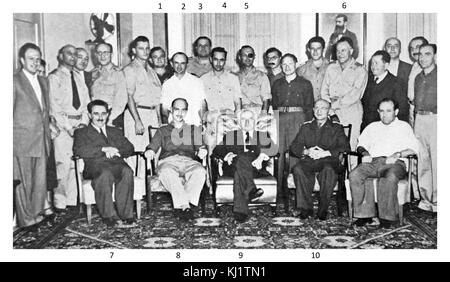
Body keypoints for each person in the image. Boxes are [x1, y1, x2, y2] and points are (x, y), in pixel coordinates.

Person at [349, 98, 419, 228]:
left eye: (388, 111)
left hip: (395, 163)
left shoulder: (404, 126)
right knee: (355, 174)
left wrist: (397, 154)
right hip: (374, 162)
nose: (384, 114)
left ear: (396, 112)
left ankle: (387, 218)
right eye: (381, 111)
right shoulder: (372, 126)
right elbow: (361, 145)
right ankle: (365, 215)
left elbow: (414, 148)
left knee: (388, 177)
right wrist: (365, 153)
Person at [73, 100, 135, 227]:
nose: (100, 117)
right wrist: (103, 150)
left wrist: (117, 150)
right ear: (90, 115)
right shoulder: (81, 132)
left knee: (127, 171)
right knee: (105, 174)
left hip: (117, 164)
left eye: (103, 113)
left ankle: (126, 215)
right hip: (96, 166)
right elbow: (79, 150)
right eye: (96, 114)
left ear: (108, 114)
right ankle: (109, 216)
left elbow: (129, 147)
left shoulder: (115, 131)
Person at [144, 98, 207, 221]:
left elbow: (201, 147)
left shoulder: (193, 129)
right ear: (171, 111)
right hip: (169, 162)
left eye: (183, 110)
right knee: (166, 172)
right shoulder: (162, 130)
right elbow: (152, 146)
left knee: (200, 171)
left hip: (189, 161)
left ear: (187, 112)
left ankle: (183, 206)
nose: (180, 113)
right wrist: (150, 151)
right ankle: (185, 206)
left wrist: (202, 150)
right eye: (177, 109)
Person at [213, 109, 278, 223]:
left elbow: (275, 150)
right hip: (233, 168)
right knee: (241, 160)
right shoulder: (231, 135)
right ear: (238, 122)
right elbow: (217, 150)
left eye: (250, 119)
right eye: (243, 119)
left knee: (241, 167)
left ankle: (240, 210)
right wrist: (227, 155)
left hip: (255, 169)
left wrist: (262, 156)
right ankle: (251, 190)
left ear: (255, 121)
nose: (247, 122)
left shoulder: (262, 135)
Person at [289, 99, 350, 220]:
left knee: (328, 171)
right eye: (316, 108)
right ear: (313, 110)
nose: (319, 111)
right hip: (310, 161)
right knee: (298, 169)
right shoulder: (306, 127)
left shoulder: (336, 128)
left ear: (329, 111)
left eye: (323, 108)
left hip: (329, 161)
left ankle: (323, 209)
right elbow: (294, 147)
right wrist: (306, 151)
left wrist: (325, 153)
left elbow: (345, 147)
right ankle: (306, 208)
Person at [13, 43, 52, 229]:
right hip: (21, 141)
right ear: (22, 60)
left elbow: (44, 111)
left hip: (41, 140)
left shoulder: (44, 81)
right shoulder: (13, 81)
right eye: (31, 59)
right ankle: (26, 219)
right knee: (23, 183)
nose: (35, 62)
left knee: (39, 182)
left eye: (38, 59)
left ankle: (36, 214)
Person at [49, 44, 90, 211]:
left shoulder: (79, 78)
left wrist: (84, 123)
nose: (73, 57)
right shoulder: (55, 77)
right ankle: (60, 204)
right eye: (69, 54)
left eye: (75, 54)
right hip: (63, 128)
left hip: (79, 124)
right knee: (62, 165)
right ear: (60, 56)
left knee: (77, 165)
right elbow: (55, 107)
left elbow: (87, 103)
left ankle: (73, 202)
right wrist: (69, 128)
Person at [271, 53, 314, 197]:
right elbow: (275, 104)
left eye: (290, 63)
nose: (287, 67)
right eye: (284, 64)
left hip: (298, 119)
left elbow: (309, 107)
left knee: (296, 152)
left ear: (296, 64)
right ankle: (280, 190)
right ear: (281, 66)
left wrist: (307, 126)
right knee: (280, 152)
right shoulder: (277, 83)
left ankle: (296, 189)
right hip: (281, 119)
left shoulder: (305, 83)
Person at [123, 36, 162, 178]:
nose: (145, 52)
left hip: (152, 114)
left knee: (153, 151)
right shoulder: (130, 69)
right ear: (134, 50)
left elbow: (157, 99)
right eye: (141, 48)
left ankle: (149, 191)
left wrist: (159, 120)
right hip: (137, 113)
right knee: (138, 153)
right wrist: (137, 120)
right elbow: (129, 96)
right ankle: (137, 194)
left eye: (147, 48)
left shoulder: (151, 71)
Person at [321, 37, 368, 150]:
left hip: (351, 113)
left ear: (351, 51)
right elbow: (324, 91)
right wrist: (330, 109)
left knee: (350, 147)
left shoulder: (360, 70)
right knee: (330, 146)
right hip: (331, 113)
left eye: (343, 50)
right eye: (338, 51)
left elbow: (355, 95)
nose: (340, 54)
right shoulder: (331, 68)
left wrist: (334, 105)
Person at [414, 43, 437, 214]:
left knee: (437, 161)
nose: (423, 57)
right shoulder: (417, 77)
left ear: (434, 56)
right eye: (420, 54)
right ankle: (426, 199)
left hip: (436, 119)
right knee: (423, 161)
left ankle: (438, 200)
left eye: (427, 54)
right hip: (419, 119)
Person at [361, 50, 408, 131]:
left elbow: (402, 110)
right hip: (367, 128)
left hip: (386, 129)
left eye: (376, 63)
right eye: (372, 63)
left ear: (386, 65)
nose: (373, 66)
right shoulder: (367, 80)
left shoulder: (396, 83)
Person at [161, 52, 207, 125]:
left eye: (182, 63)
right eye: (176, 63)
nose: (179, 66)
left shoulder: (197, 82)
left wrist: (204, 125)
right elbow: (164, 109)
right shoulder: (167, 84)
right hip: (174, 127)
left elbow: (202, 106)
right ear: (172, 64)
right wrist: (166, 127)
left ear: (187, 64)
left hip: (193, 125)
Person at [90, 42, 128, 128]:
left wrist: (110, 119)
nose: (102, 56)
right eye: (99, 53)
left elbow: (121, 100)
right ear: (96, 55)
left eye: (105, 53)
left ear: (111, 54)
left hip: (111, 117)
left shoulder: (118, 73)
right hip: (95, 117)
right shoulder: (93, 72)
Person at [201, 47, 242, 113]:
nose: (218, 63)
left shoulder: (233, 79)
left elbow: (238, 103)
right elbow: (202, 104)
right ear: (211, 59)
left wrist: (237, 118)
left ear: (225, 61)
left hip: (229, 116)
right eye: (215, 59)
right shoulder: (203, 79)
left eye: (221, 60)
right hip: (212, 117)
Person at [235, 45, 271, 115]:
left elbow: (266, 99)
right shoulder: (234, 77)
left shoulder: (261, 76)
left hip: (257, 112)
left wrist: (263, 116)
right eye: (244, 55)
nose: (247, 58)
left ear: (254, 57)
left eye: (250, 55)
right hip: (240, 113)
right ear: (239, 57)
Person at [297, 36, 330, 101]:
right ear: (308, 49)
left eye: (318, 48)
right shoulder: (301, 70)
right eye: (312, 48)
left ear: (324, 49)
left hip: (328, 107)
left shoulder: (332, 67)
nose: (315, 51)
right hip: (309, 108)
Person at [407, 36, 429, 125]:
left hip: (425, 113)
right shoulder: (414, 66)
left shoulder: (431, 67)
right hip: (412, 109)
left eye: (417, 47)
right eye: (411, 48)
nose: (414, 51)